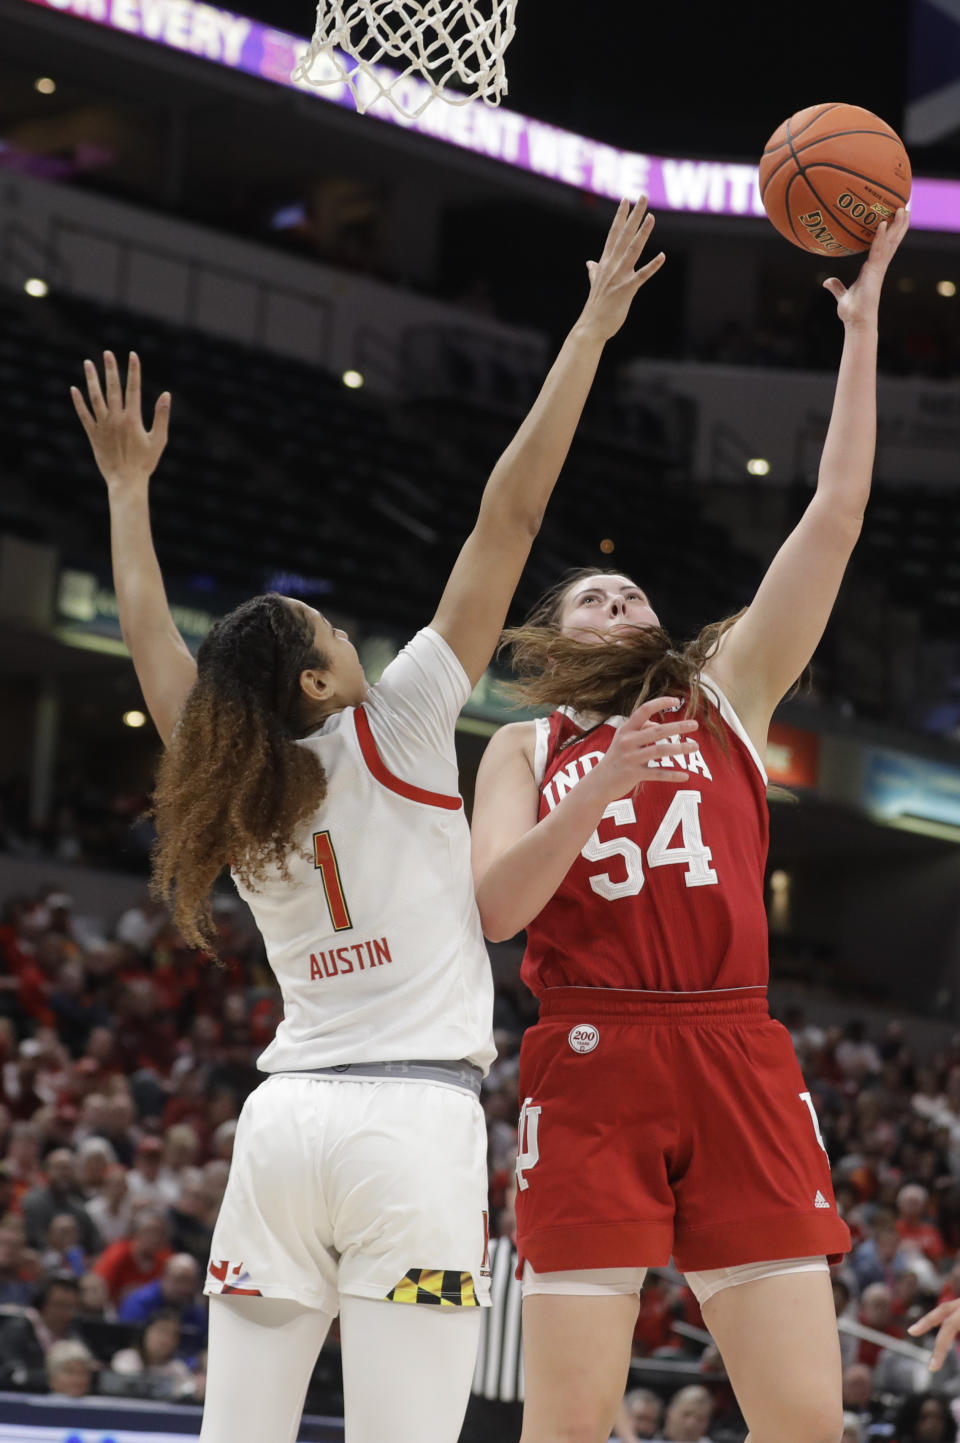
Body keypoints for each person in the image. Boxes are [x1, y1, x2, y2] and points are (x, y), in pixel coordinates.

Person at [71, 197, 669, 1443]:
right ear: (318, 681)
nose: (354, 636)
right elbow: (508, 516)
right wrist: (591, 332)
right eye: (333, 633)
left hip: (283, 1124)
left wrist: (129, 494)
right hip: (410, 1123)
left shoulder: (231, 782)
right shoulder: (396, 726)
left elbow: (145, 635)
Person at [470, 207, 910, 1443]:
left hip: (732, 1050)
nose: (618, 594)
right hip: (590, 1054)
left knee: (806, 1425)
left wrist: (863, 330)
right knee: (566, 1425)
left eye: (631, 589)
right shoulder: (523, 746)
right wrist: (598, 789)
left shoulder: (726, 695)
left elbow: (835, 513)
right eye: (591, 593)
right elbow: (499, 909)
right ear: (556, 643)